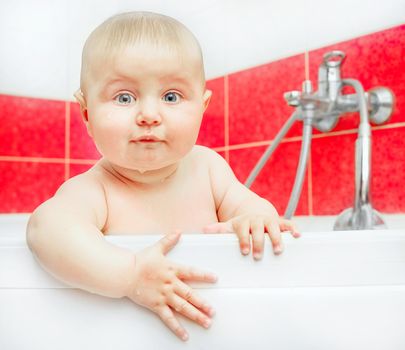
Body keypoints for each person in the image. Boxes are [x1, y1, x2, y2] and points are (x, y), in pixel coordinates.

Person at [26, 11, 300, 341]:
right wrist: (129, 277)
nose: (149, 115)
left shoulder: (209, 168)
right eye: (124, 97)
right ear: (87, 113)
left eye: (171, 97)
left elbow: (252, 208)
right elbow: (45, 230)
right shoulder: (96, 190)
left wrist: (255, 218)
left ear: (202, 105)